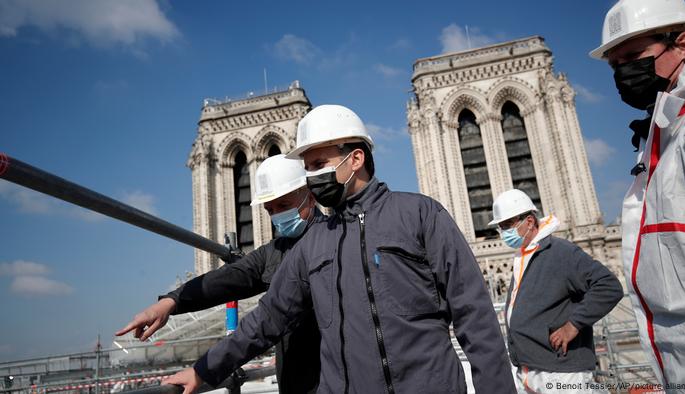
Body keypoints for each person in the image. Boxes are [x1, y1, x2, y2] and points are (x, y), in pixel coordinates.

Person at [163, 104, 516, 394]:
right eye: (307, 168)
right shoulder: (312, 244)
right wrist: (204, 370)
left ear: (356, 159)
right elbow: (267, 319)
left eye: (319, 165)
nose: (311, 177)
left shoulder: (420, 214)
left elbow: (475, 315)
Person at [116, 154, 323, 394]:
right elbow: (229, 277)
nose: (276, 215)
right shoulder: (275, 251)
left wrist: (203, 371)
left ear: (310, 195)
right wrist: (171, 302)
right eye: (269, 209)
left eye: (283, 206)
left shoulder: (327, 243)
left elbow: (267, 321)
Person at [590, 0, 685, 389]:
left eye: (634, 56)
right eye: (615, 65)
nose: (624, 73)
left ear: (683, 44)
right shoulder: (665, 130)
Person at [489, 189, 623, 393]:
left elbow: (609, 286)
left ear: (530, 222)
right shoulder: (523, 256)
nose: (503, 232)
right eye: (500, 227)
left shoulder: (560, 252)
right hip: (531, 371)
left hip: (561, 373)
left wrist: (573, 325)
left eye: (507, 225)